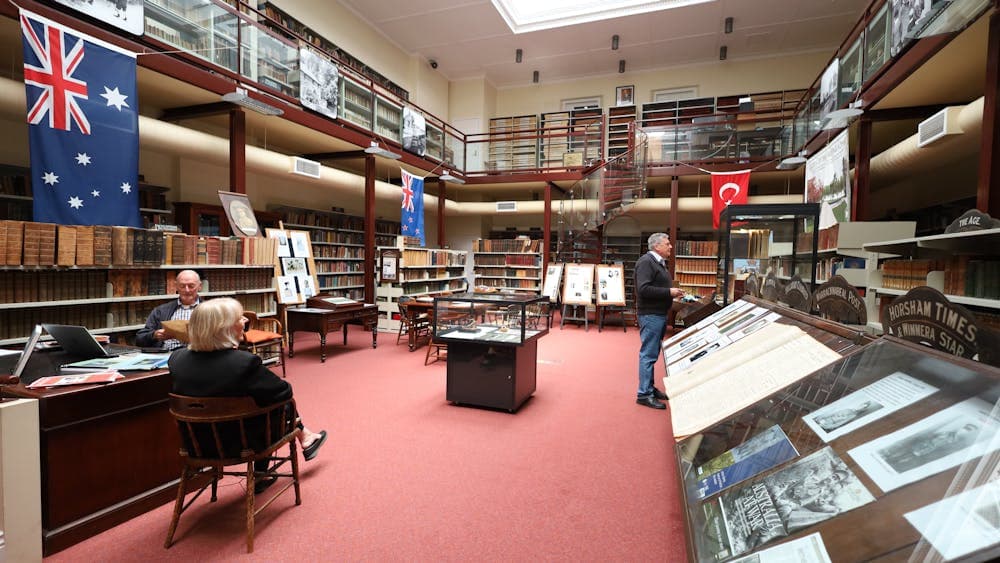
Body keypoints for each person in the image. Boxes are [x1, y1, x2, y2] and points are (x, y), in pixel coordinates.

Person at [169, 297, 327, 494]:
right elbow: (284, 392)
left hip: (197, 443)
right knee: (278, 405)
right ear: (224, 327)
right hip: (242, 443)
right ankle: (266, 470)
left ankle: (306, 437)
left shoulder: (176, 359)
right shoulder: (243, 363)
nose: (244, 320)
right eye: (239, 317)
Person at [634, 232, 685, 409]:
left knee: (652, 353)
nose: (670, 246)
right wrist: (669, 292)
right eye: (667, 244)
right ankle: (644, 394)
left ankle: (649, 387)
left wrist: (672, 293)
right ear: (657, 246)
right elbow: (643, 289)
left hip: (658, 313)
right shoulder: (646, 262)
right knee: (648, 354)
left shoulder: (658, 263)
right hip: (651, 315)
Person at [136, 269, 203, 350]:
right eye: (182, 286)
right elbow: (140, 338)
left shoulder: (211, 311)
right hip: (167, 354)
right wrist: (154, 335)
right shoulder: (161, 311)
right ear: (176, 287)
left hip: (198, 354)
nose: (187, 290)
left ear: (199, 286)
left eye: (191, 286)